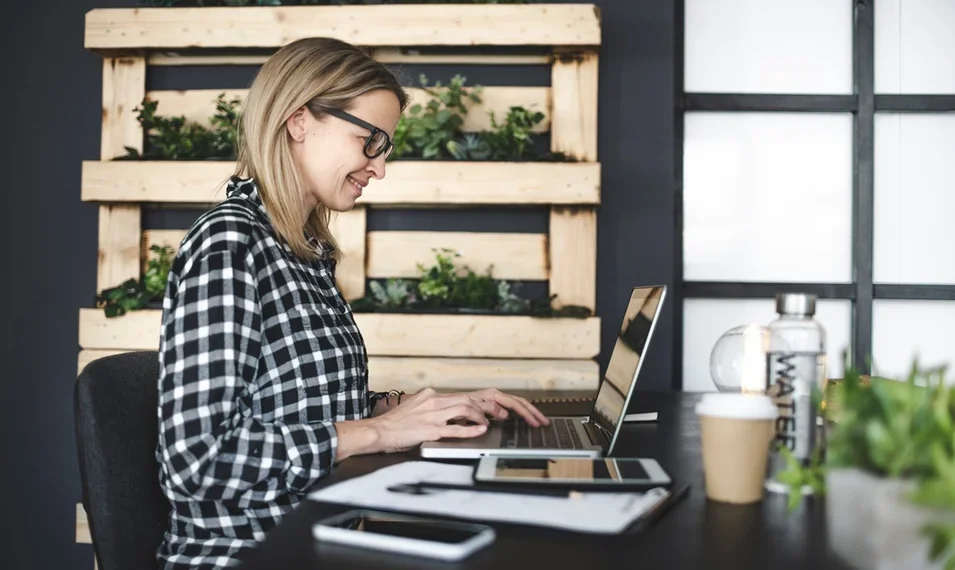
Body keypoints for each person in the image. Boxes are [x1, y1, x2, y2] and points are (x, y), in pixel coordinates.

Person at [155, 37, 550, 569]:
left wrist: (415, 410)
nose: (379, 168)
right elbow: (197, 462)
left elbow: (299, 407)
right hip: (249, 555)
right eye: (370, 141)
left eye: (386, 149)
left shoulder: (302, 250)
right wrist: (381, 431)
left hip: (327, 538)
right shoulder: (230, 243)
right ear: (299, 121)